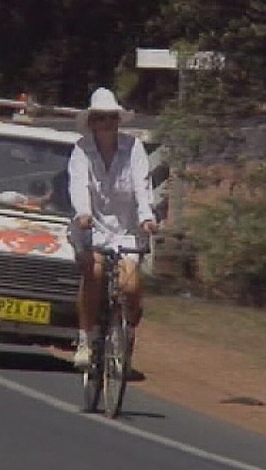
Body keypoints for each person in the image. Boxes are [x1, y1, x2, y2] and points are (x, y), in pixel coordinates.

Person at [67, 87, 158, 367]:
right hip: (92, 226)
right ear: (92, 122)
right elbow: (78, 183)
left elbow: (142, 185)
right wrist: (83, 213)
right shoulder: (82, 150)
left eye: (112, 118)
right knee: (93, 271)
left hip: (127, 228)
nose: (107, 124)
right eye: (102, 118)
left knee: (129, 286)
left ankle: (126, 331)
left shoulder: (134, 148)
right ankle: (85, 338)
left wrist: (146, 216)